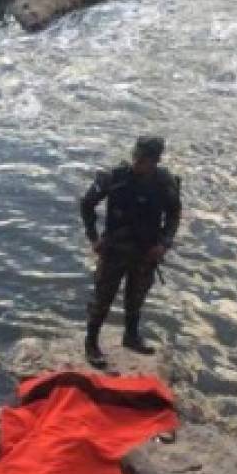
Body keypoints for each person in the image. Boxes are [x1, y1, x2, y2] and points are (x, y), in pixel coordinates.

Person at [80, 135, 182, 368]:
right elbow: (87, 204)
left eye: (144, 159)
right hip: (115, 248)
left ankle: (131, 336)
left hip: (146, 251)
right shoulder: (114, 178)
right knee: (102, 297)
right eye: (136, 157)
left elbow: (174, 214)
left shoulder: (164, 182)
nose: (137, 162)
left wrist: (164, 244)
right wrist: (93, 237)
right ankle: (91, 342)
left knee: (136, 296)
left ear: (155, 161)